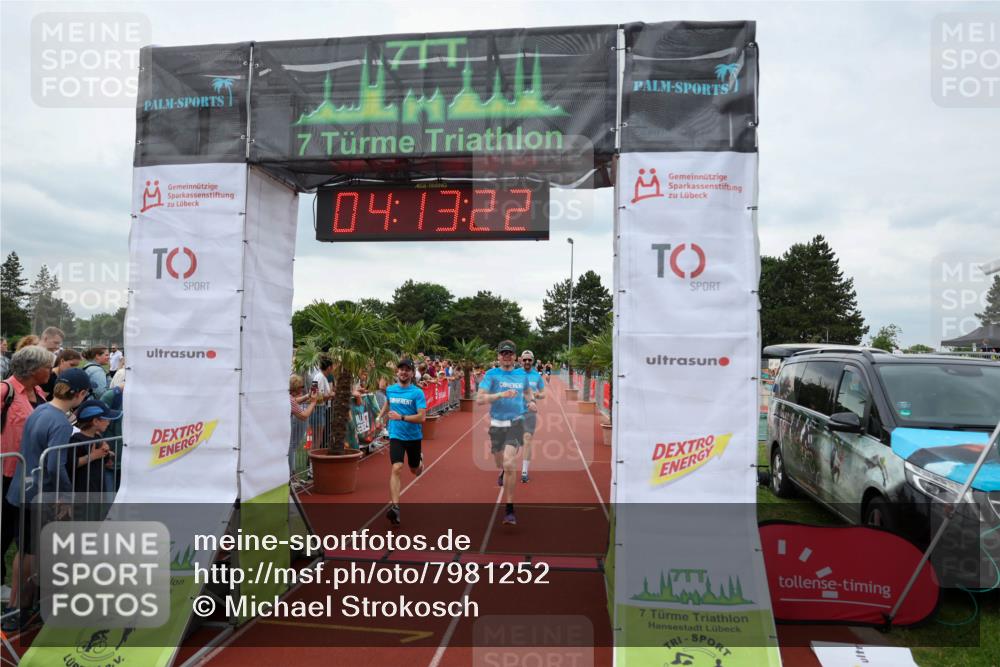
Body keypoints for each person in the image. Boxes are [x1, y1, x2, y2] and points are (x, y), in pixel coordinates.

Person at [3, 367, 90, 631]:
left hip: (21, 489)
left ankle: (19, 606)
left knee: (26, 550)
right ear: (81, 394)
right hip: (38, 494)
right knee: (32, 552)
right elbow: (54, 465)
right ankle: (19, 609)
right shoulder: (60, 422)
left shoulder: (40, 409)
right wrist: (65, 496)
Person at [0, 346, 53, 608]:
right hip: (6, 471)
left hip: (29, 475)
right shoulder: (5, 391)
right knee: (3, 530)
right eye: (48, 366)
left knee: (19, 531)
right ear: (34, 370)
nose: (51, 370)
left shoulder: (40, 393)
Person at [477, 340, 535, 526]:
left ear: (515, 357)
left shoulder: (521, 375)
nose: (506, 356)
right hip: (496, 423)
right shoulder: (491, 375)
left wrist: (531, 401)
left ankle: (509, 508)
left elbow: (527, 393)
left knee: (510, 463)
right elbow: (480, 399)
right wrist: (500, 395)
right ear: (498, 356)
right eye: (503, 353)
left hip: (516, 422)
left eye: (510, 353)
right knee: (499, 460)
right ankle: (502, 469)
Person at [379, 358, 426, 526]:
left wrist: (402, 417)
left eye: (407, 369)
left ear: (412, 373)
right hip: (396, 435)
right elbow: (388, 403)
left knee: (415, 470)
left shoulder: (417, 393)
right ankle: (395, 507)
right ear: (397, 372)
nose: (403, 372)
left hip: (413, 437)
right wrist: (380, 416)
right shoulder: (391, 390)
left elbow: (422, 417)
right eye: (401, 369)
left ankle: (419, 461)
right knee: (397, 467)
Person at [518, 350, 546, 483]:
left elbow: (543, 393)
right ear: (521, 360)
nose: (527, 362)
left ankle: (524, 471)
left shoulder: (537, 376)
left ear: (533, 360)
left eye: (529, 360)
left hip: (530, 412)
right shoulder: (514, 374)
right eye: (525, 360)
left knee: (527, 439)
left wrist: (535, 395)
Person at [288, 374, 320, 475]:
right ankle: (291, 475)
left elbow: (295, 401)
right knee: (291, 447)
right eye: (301, 386)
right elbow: (304, 415)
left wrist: (307, 396)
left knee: (291, 447)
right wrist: (313, 402)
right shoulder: (290, 400)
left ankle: (291, 475)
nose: (302, 388)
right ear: (296, 388)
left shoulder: (288, 397)